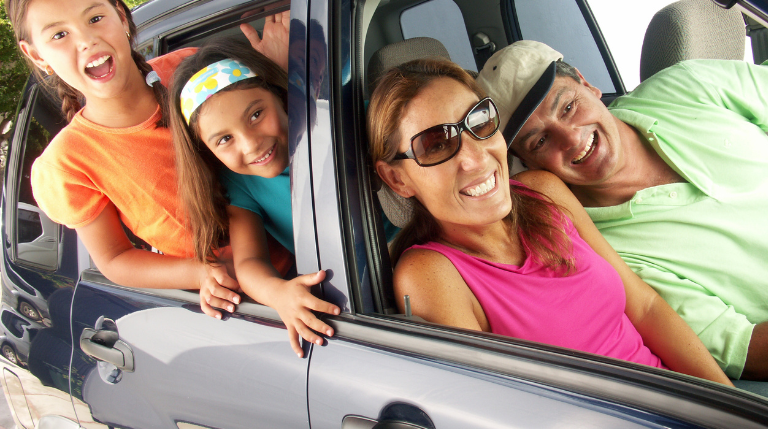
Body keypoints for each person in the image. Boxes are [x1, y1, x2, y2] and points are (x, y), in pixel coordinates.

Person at [367, 57, 731, 385]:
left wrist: (728, 404)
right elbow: (496, 407)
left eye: (479, 121)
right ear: (397, 179)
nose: (476, 158)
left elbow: (645, 307)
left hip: (688, 403)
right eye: (435, 145)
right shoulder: (429, 273)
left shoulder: (543, 191)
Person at [5, 0, 285, 323]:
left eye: (94, 18)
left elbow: (272, 125)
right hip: (250, 301)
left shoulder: (190, 74)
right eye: (59, 35)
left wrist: (282, 72)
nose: (87, 40)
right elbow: (114, 260)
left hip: (321, 239)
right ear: (36, 55)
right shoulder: (67, 163)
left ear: (121, 16)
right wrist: (197, 272)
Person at [477, 40, 768, 382]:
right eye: (539, 141)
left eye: (568, 107)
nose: (570, 138)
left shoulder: (688, 84)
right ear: (528, 165)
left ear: (588, 84)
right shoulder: (603, 255)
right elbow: (747, 349)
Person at [168, 38, 339, 357]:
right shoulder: (239, 183)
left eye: (256, 114)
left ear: (279, 94)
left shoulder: (333, 127)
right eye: (225, 139)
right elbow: (249, 262)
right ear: (206, 151)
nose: (251, 144)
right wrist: (279, 294)